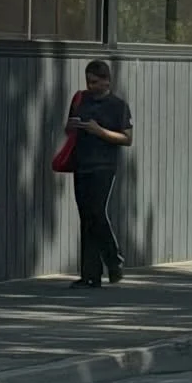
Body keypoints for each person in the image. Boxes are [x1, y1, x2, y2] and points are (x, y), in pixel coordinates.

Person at [65, 58, 132, 289]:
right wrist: (72, 126)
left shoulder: (118, 106)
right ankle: (90, 275)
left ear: (106, 81)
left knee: (96, 212)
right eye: (88, 81)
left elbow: (127, 138)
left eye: (95, 82)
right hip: (81, 164)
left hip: (103, 166)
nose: (91, 86)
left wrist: (99, 131)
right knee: (86, 218)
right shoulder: (81, 100)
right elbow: (68, 128)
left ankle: (114, 259)